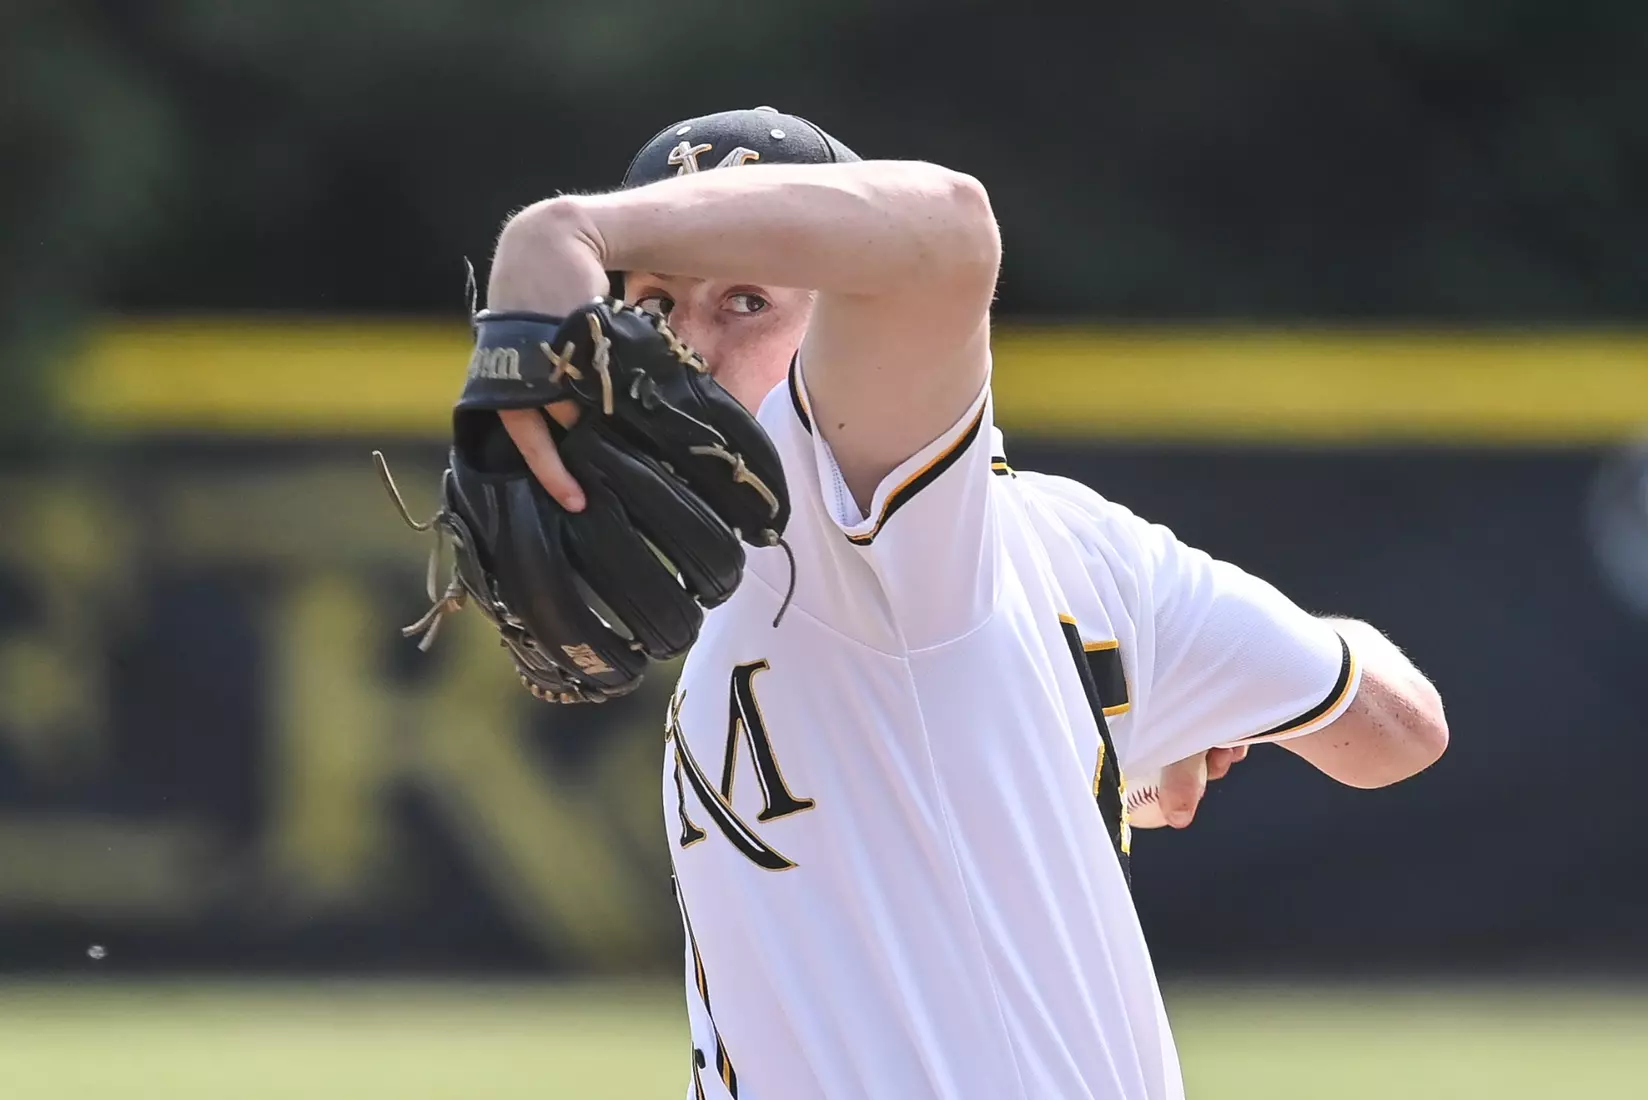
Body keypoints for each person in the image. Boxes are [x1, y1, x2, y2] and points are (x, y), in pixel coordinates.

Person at [482, 107, 1449, 1100]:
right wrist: (1131, 722)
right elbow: (1395, 731)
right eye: (651, 308)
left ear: (853, 316)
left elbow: (947, 229)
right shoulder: (1084, 546)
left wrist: (559, 231)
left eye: (744, 300)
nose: (687, 344)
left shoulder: (843, 516)